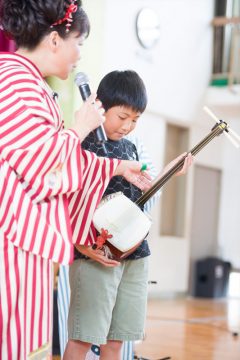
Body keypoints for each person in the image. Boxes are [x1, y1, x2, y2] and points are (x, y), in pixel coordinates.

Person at [0, 2, 152, 359]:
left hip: (25, 242)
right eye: (79, 42)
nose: (79, 55)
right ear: (55, 40)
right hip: (13, 242)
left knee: (27, 344)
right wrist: (80, 127)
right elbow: (41, 166)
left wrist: (117, 169)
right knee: (14, 343)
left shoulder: (29, 84)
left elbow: (56, 157)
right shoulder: (14, 83)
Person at [63, 70, 193, 360]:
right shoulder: (81, 144)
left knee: (117, 340)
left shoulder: (131, 148)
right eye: (122, 117)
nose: (128, 126)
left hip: (135, 252)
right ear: (100, 107)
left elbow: (143, 193)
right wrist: (81, 245)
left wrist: (169, 171)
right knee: (83, 337)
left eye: (135, 120)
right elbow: (70, 200)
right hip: (96, 254)